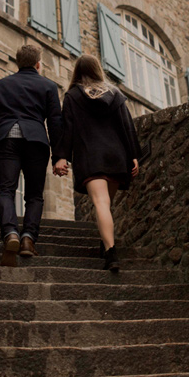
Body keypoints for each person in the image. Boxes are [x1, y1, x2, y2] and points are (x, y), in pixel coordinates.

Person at [53, 54, 140, 272]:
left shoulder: (72, 96)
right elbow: (127, 126)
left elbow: (68, 129)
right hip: (116, 156)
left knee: (101, 204)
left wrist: (60, 156)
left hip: (91, 157)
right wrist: (134, 155)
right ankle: (105, 244)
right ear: (97, 69)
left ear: (77, 72)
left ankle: (111, 253)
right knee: (106, 205)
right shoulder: (115, 93)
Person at [0, 44, 62, 267]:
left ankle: (10, 234)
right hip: (36, 141)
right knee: (35, 195)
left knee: (5, 190)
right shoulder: (48, 86)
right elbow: (56, 122)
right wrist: (58, 156)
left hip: (6, 140)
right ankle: (28, 239)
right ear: (38, 64)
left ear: (18, 63)